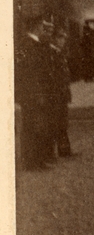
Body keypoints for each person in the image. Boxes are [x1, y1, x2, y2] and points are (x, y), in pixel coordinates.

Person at [15, 17, 56, 170]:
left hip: (33, 93)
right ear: (36, 27)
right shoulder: (29, 44)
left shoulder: (30, 44)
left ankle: (36, 160)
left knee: (36, 126)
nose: (43, 29)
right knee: (32, 127)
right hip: (33, 94)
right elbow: (30, 73)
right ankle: (32, 162)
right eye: (41, 26)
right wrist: (38, 93)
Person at [49, 28, 75, 158]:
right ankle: (61, 151)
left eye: (64, 38)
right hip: (57, 94)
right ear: (54, 39)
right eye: (60, 37)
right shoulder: (52, 54)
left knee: (63, 122)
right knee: (59, 122)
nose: (63, 40)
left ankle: (65, 150)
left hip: (62, 93)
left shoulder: (59, 53)